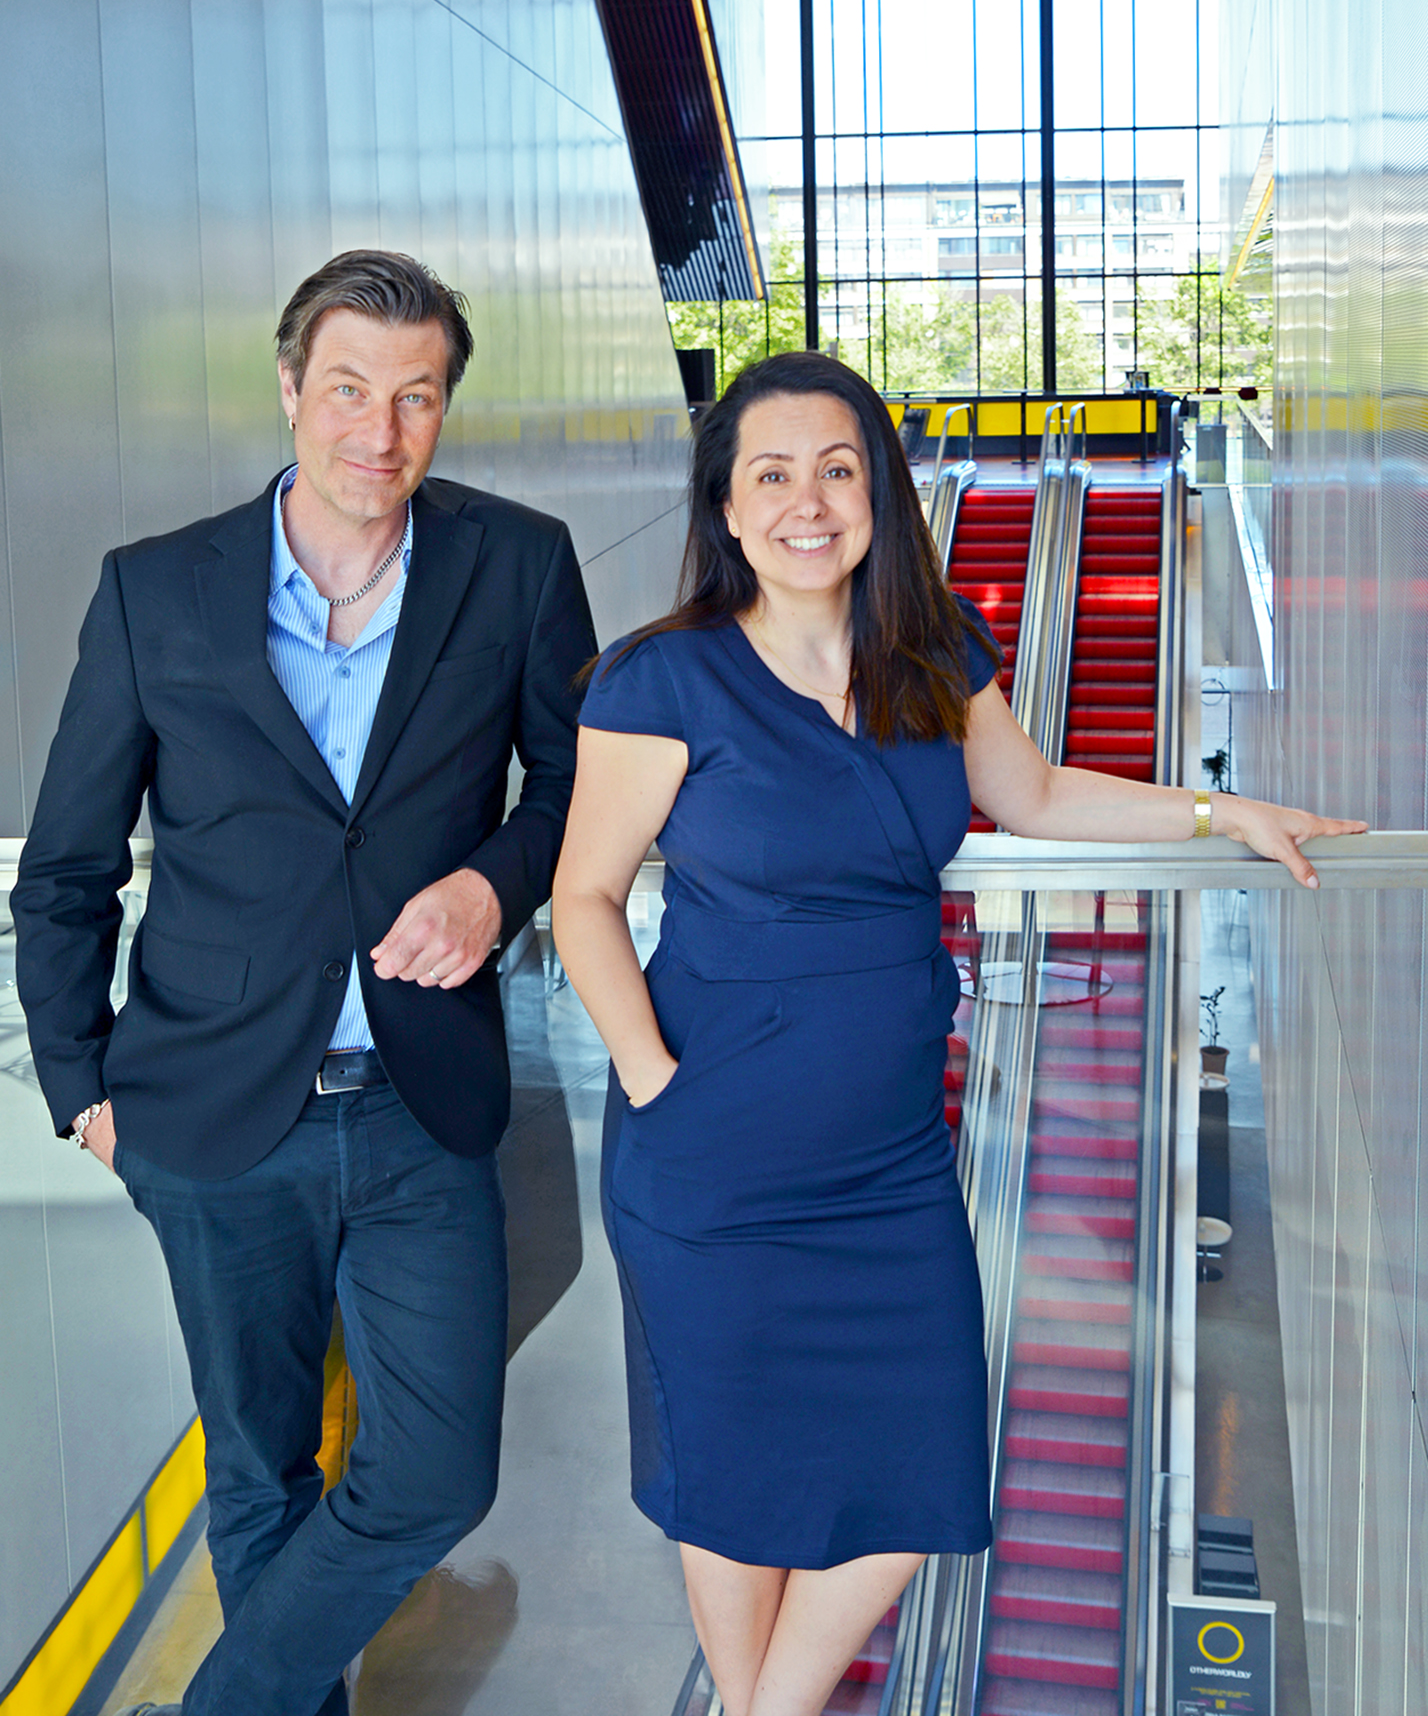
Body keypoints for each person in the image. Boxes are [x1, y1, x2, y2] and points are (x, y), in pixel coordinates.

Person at [551, 350, 1364, 1716]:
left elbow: (1034, 796)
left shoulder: (932, 651)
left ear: (878, 491)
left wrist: (1220, 812)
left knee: (918, 1476)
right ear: (727, 507)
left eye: (838, 470)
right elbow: (584, 897)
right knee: (734, 1484)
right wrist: (656, 1084)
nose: (809, 502)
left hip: (889, 1165)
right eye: (772, 475)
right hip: (712, 1161)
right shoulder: (663, 679)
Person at [13, 250, 597, 1716]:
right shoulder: (156, 589)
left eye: (415, 397)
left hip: (421, 1103)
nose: (377, 432)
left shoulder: (518, 564)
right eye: (346, 389)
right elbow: (67, 864)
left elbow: (575, 787)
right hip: (210, 1111)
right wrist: (80, 1091)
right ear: (289, 390)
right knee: (258, 1470)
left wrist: (494, 885)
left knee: (436, 1475)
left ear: (445, 404)